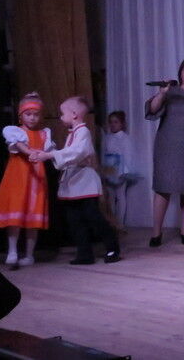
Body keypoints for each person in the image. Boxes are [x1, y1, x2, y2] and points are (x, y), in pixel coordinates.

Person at [32, 97, 120, 265]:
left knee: (94, 217)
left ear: (74, 114)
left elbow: (77, 152)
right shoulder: (73, 133)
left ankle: (112, 247)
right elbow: (68, 156)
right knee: (75, 221)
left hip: (84, 182)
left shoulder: (83, 132)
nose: (61, 117)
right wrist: (50, 152)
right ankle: (84, 253)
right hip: (73, 182)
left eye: (62, 113)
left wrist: (50, 155)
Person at [0, 92, 55, 268]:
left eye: (36, 114)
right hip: (18, 177)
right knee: (15, 215)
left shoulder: (44, 134)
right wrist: (30, 152)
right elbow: (20, 145)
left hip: (36, 179)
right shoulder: (15, 132)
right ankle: (12, 251)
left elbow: (49, 152)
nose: (32, 118)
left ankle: (29, 255)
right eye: (28, 114)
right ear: (21, 115)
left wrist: (46, 155)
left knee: (33, 219)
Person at [145, 57, 184, 247]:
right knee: (162, 187)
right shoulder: (170, 92)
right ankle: (156, 232)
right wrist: (162, 93)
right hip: (167, 146)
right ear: (180, 72)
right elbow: (152, 110)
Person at [101, 110, 136, 231]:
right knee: (110, 197)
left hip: (120, 169)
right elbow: (105, 154)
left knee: (120, 196)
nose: (113, 125)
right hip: (109, 169)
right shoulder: (108, 137)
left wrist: (125, 172)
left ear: (122, 123)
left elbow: (128, 156)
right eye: (111, 122)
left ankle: (120, 224)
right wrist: (104, 170)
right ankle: (112, 222)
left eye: (116, 122)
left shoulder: (125, 138)